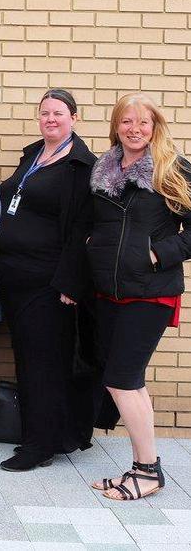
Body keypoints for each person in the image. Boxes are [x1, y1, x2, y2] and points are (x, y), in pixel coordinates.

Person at [87, 93, 191, 500]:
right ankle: (142, 466)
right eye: (126, 122)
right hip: (110, 290)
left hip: (151, 291)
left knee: (120, 380)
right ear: (116, 126)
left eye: (143, 123)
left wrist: (158, 253)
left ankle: (148, 472)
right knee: (131, 382)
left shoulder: (171, 168)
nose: (134, 129)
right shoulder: (104, 168)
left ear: (155, 126)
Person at [0, 89, 96, 472]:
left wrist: (70, 283)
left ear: (74, 117)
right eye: (44, 113)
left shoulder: (82, 166)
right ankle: (37, 433)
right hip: (16, 277)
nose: (50, 119)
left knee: (44, 364)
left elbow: (83, 231)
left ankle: (40, 446)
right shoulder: (33, 153)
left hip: (49, 282)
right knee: (27, 357)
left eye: (58, 113)